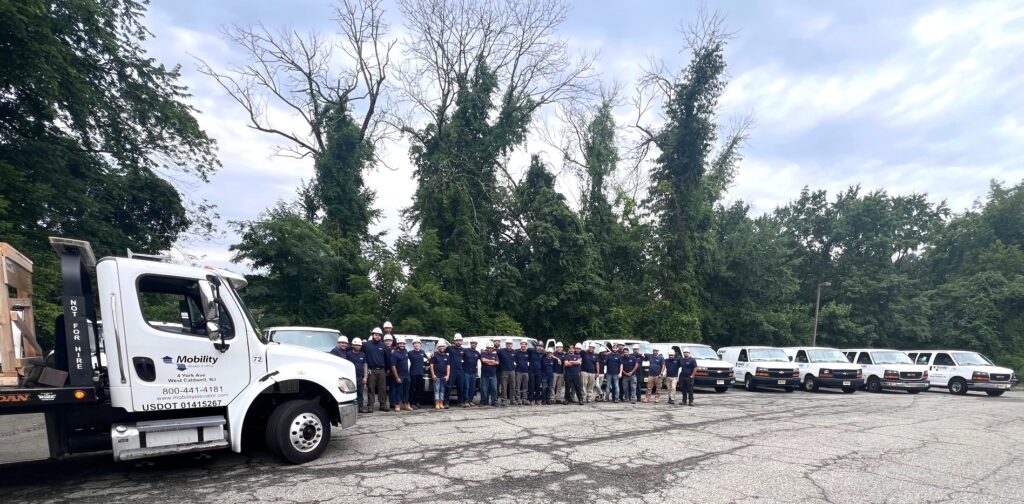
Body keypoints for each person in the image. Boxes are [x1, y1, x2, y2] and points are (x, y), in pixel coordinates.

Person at [363, 327, 390, 412]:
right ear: (373, 335)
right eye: (376, 335)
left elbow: (387, 358)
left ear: (381, 336)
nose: (377, 336)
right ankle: (370, 406)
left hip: (381, 370)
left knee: (382, 389)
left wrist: (387, 370)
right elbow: (361, 354)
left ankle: (383, 405)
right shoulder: (366, 345)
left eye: (379, 335)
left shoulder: (383, 346)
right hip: (371, 370)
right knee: (371, 389)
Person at [346, 338, 368, 412]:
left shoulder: (363, 354)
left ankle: (360, 407)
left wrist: (365, 377)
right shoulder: (348, 354)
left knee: (360, 392)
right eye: (356, 345)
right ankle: (351, 407)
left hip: (360, 377)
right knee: (351, 392)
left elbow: (365, 365)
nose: (357, 347)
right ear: (353, 345)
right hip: (351, 377)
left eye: (359, 345)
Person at [390, 339, 411, 412]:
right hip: (399, 375)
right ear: (398, 344)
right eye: (400, 343)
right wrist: (397, 377)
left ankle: (405, 404)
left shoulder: (406, 351)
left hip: (407, 375)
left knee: (406, 391)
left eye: (403, 344)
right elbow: (393, 366)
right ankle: (397, 405)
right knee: (398, 391)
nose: (402, 345)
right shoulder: (395, 354)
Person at [430, 340, 450, 410]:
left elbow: (448, 367)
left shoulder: (447, 356)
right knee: (436, 390)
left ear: (445, 347)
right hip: (436, 376)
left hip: (444, 377)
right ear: (438, 347)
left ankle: (441, 403)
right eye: (440, 346)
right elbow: (431, 365)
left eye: (443, 346)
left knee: (442, 390)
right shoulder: (434, 355)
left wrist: (447, 375)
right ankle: (437, 403)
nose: (442, 347)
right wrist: (433, 374)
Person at [408, 338, 427, 410]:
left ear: (420, 345)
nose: (417, 344)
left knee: (419, 389)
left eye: (418, 343)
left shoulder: (422, 352)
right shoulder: (410, 353)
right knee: (412, 389)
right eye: (415, 343)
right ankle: (411, 403)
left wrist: (432, 356)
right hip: (413, 373)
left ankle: (417, 402)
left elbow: (427, 359)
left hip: (420, 373)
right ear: (413, 345)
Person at [497, 339, 517, 406]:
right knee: (504, 386)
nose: (509, 345)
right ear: (506, 344)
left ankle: (512, 400)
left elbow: (516, 360)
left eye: (510, 344)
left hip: (512, 371)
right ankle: (504, 401)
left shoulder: (514, 352)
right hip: (504, 371)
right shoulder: (501, 351)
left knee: (513, 386)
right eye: (508, 344)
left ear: (512, 345)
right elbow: (496, 357)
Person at [448, 333, 466, 407]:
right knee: (449, 387)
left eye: (460, 340)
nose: (458, 342)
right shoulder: (449, 348)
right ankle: (446, 402)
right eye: (457, 340)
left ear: (461, 341)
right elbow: (441, 351)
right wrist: (434, 353)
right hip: (452, 371)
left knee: (461, 387)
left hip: (460, 371)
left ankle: (460, 402)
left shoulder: (463, 350)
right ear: (454, 341)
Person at [463, 338, 481, 406]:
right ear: (470, 344)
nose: (474, 344)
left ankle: (470, 400)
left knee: (472, 388)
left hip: (473, 373)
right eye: (472, 343)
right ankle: (466, 401)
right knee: (466, 387)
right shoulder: (465, 350)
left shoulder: (477, 352)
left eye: (475, 343)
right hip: (466, 372)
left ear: (476, 344)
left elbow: (482, 358)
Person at [514, 340, 531, 406]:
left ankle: (524, 399)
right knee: (517, 386)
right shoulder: (516, 351)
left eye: (525, 344)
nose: (523, 345)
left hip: (526, 372)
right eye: (522, 344)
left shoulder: (528, 352)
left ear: (526, 345)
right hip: (518, 371)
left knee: (525, 387)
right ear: (520, 344)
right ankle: (518, 399)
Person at [383, 333, 395, 408]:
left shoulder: (395, 349)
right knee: (383, 388)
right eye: (386, 341)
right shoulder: (381, 348)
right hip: (383, 371)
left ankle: (392, 402)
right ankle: (384, 403)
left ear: (392, 341)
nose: (388, 342)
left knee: (392, 388)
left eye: (389, 341)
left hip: (392, 371)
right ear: (384, 341)